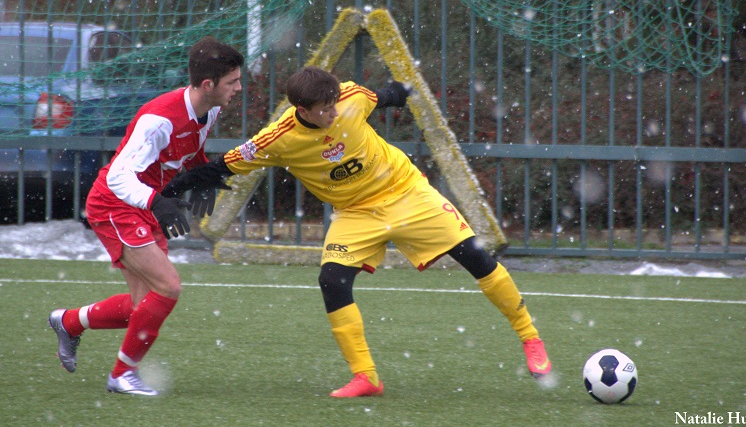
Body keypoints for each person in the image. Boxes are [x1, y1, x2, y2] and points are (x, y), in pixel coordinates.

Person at [163, 66, 551, 398]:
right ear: (302, 111)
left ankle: (530, 338)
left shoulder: (350, 96)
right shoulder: (277, 139)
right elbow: (223, 166)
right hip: (354, 213)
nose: (334, 111)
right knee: (332, 280)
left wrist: (406, 90)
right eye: (325, 109)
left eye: (335, 104)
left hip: (406, 190)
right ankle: (366, 377)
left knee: (476, 256)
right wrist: (169, 191)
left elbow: (386, 96)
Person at [47, 36, 244, 396]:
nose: (239, 88)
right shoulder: (159, 120)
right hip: (116, 204)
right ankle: (122, 375)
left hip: (145, 203)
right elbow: (119, 177)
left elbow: (191, 150)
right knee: (168, 286)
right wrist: (156, 202)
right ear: (208, 84)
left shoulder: (210, 109)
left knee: (143, 305)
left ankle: (69, 321)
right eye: (232, 81)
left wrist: (202, 177)